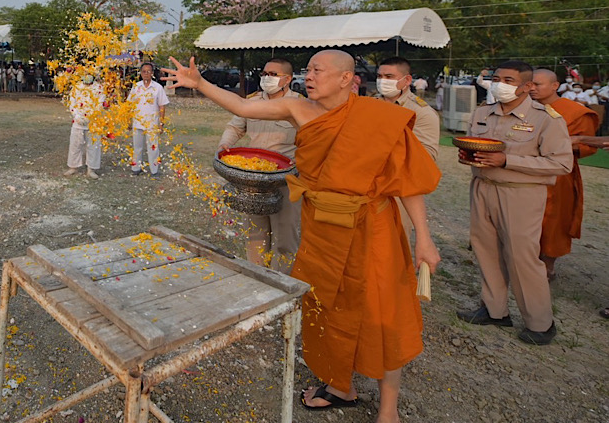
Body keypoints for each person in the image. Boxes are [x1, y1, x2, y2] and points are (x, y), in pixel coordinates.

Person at [163, 50, 441, 421]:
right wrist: (200, 83)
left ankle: (388, 408)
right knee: (326, 307)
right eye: (307, 70)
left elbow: (407, 185)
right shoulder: (298, 109)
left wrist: (424, 239)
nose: (308, 76)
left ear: (345, 78)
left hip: (370, 229)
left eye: (317, 70)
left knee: (383, 312)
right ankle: (340, 385)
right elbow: (242, 108)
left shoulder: (378, 117)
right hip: (321, 229)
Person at [456, 61, 572, 346]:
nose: (500, 85)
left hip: (521, 193)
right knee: (486, 250)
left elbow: (561, 163)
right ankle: (495, 310)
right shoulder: (483, 112)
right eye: (497, 79)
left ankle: (540, 323)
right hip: (483, 187)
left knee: (522, 257)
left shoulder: (546, 118)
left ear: (527, 86)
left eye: (508, 80)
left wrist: (507, 160)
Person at [217, 58, 301, 272]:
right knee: (255, 232)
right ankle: (256, 275)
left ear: (287, 79)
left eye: (273, 74)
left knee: (284, 237)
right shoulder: (252, 102)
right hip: (254, 178)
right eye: (264, 74)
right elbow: (235, 127)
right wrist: (225, 143)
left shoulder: (300, 105)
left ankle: (280, 280)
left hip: (286, 180)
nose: (266, 78)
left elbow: (312, 139)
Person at [528, 69, 598, 281]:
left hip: (558, 174)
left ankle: (547, 266)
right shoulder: (524, 107)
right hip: (525, 169)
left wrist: (555, 145)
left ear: (554, 86)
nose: (532, 88)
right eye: (529, 84)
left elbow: (588, 146)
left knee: (554, 220)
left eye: (537, 84)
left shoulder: (575, 112)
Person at [375, 57, 440, 237]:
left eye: (389, 76)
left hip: (398, 191)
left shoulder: (422, 113)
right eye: (379, 76)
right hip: (366, 187)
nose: (382, 81)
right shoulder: (369, 104)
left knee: (394, 240)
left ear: (407, 80)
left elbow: (426, 158)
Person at [128, 62, 169, 176]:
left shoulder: (157, 88)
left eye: (148, 71)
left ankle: (154, 170)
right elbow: (130, 104)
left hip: (152, 123)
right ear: (141, 73)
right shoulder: (136, 87)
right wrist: (128, 120)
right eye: (144, 71)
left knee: (153, 147)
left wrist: (161, 123)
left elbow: (162, 106)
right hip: (137, 122)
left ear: (152, 73)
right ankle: (136, 168)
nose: (146, 74)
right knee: (137, 147)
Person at [64, 74, 104, 179]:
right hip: (78, 122)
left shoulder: (99, 88)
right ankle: (73, 166)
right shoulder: (76, 87)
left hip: (93, 122)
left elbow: (99, 105)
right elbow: (72, 103)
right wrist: (77, 116)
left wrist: (90, 117)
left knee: (93, 145)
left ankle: (91, 169)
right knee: (75, 144)